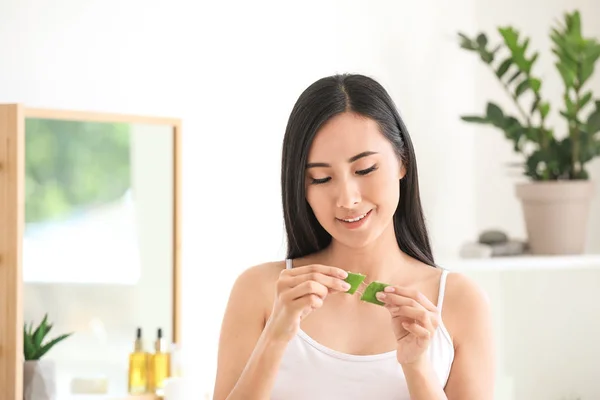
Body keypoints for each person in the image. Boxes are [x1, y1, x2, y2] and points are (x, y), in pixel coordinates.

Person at [213, 73, 495, 399]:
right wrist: (275, 339)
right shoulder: (261, 292)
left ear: (402, 161)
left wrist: (417, 365)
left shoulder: (459, 302)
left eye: (364, 170)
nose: (347, 199)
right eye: (321, 178)